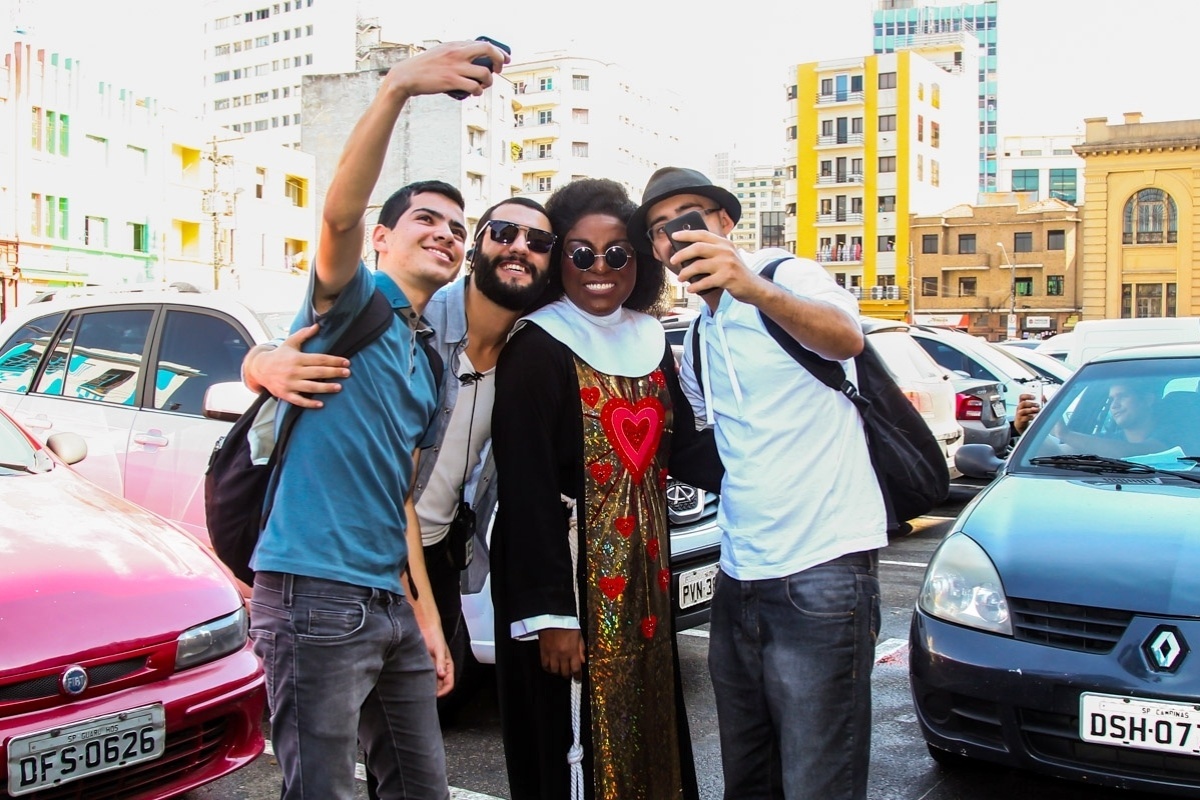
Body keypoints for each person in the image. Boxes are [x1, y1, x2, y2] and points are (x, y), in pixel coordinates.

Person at [238, 40, 509, 800]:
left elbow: (400, 500)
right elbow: (336, 212)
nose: (446, 233)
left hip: (389, 605)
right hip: (312, 596)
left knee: (422, 788)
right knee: (319, 790)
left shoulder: (428, 359)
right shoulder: (352, 303)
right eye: (427, 218)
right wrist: (396, 89)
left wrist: (424, 616)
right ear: (382, 237)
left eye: (458, 227)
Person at [628, 166, 886, 800]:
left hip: (824, 569)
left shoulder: (783, 275)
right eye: (660, 230)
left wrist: (751, 288)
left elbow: (844, 337)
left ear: (724, 223)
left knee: (816, 778)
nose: (674, 236)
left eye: (689, 217)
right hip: (739, 575)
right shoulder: (694, 335)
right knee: (749, 775)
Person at [489, 178, 722, 800]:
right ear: (558, 259)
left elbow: (692, 453)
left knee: (648, 732)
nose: (600, 268)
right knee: (568, 749)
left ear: (639, 261)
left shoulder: (650, 337)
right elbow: (527, 491)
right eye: (580, 252)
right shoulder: (535, 347)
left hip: (644, 588)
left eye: (617, 253)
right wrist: (553, 618)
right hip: (566, 588)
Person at [243, 196, 555, 655]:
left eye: (540, 241)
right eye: (504, 232)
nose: (520, 247)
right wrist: (261, 365)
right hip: (362, 552)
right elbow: (298, 341)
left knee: (420, 717)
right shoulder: (417, 311)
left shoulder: (529, 348)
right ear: (476, 248)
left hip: (441, 557)